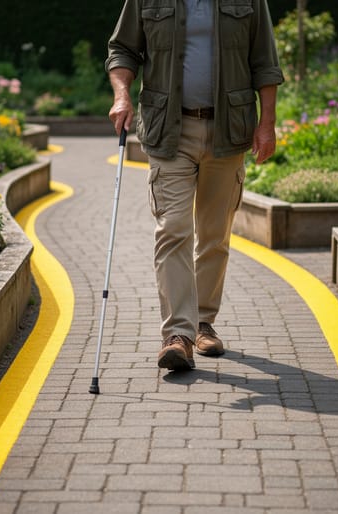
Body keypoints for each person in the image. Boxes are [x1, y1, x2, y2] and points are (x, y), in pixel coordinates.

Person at [106, 0, 283, 371]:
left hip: (228, 131)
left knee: (215, 235)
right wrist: (122, 94)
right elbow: (123, 48)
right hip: (169, 131)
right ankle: (178, 335)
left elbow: (264, 61)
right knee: (173, 229)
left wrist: (267, 123)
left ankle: (203, 322)